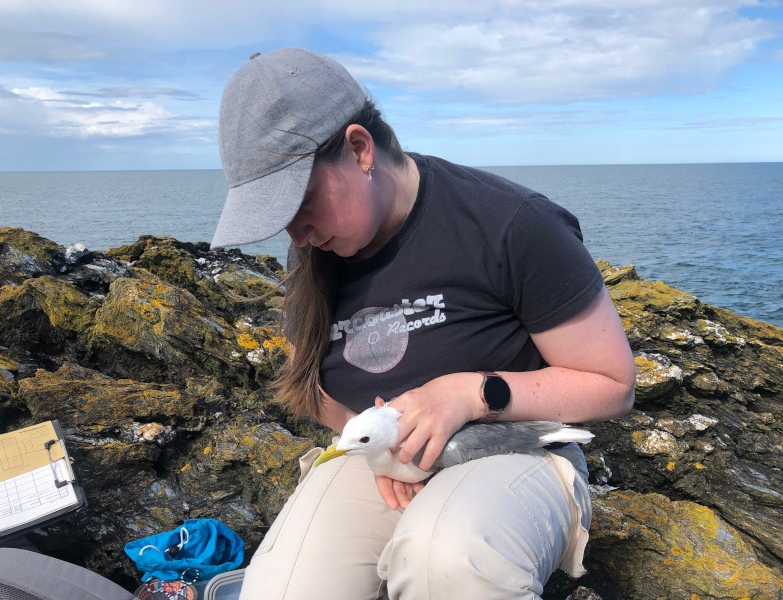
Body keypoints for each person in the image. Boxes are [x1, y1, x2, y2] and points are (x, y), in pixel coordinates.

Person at [210, 48, 636, 600]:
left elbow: (612, 385)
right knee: (282, 590)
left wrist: (470, 394)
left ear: (360, 149)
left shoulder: (512, 224)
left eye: (300, 201)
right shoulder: (317, 250)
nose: (295, 234)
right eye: (277, 217)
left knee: (446, 560)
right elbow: (308, 383)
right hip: (386, 466)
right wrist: (382, 447)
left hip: (516, 450)